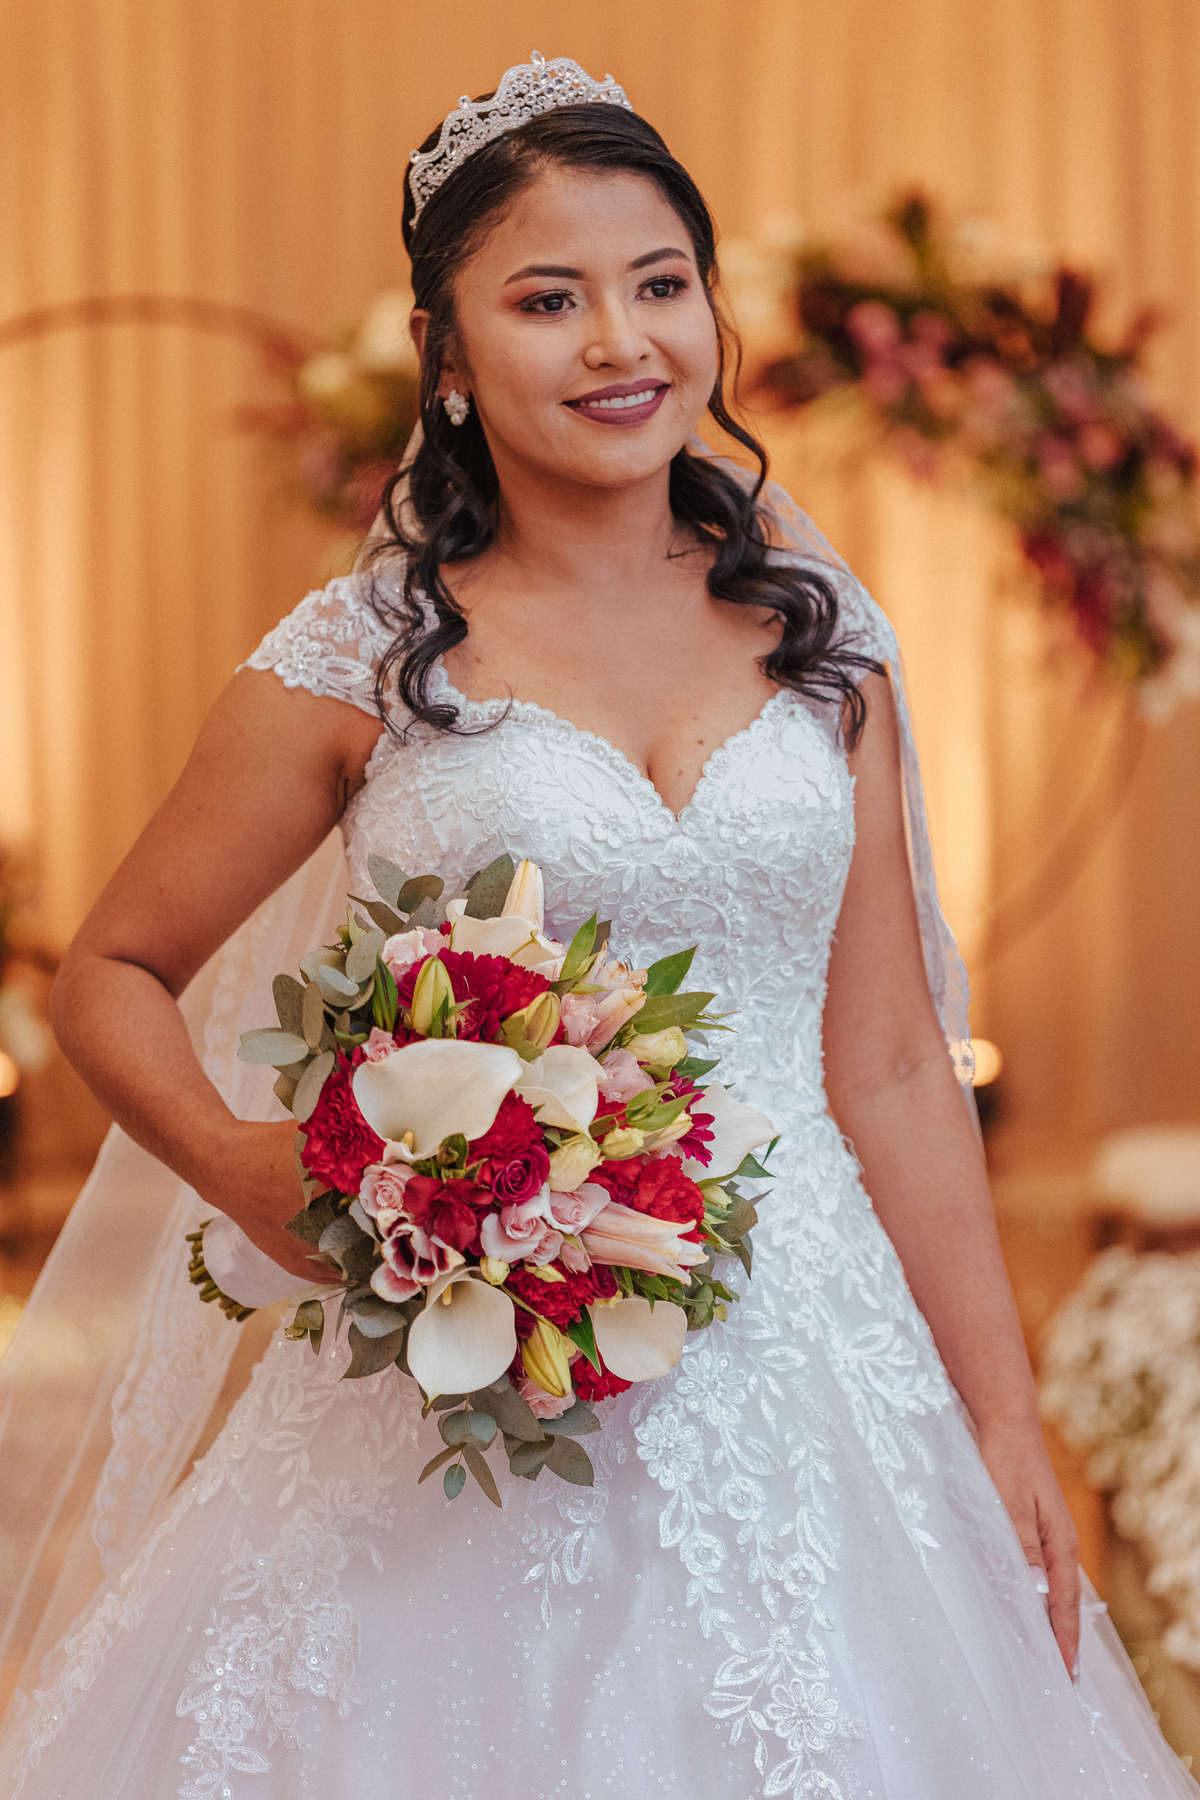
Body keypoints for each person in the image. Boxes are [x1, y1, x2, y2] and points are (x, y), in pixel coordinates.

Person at [0, 53, 1193, 1800]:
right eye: (548, 299)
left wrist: (1002, 1414)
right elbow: (111, 969)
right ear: (450, 353)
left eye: (661, 284)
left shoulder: (825, 640)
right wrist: (254, 1166)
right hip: (463, 1385)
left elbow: (885, 1065)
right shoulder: (363, 657)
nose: (622, 343)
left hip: (816, 1370)